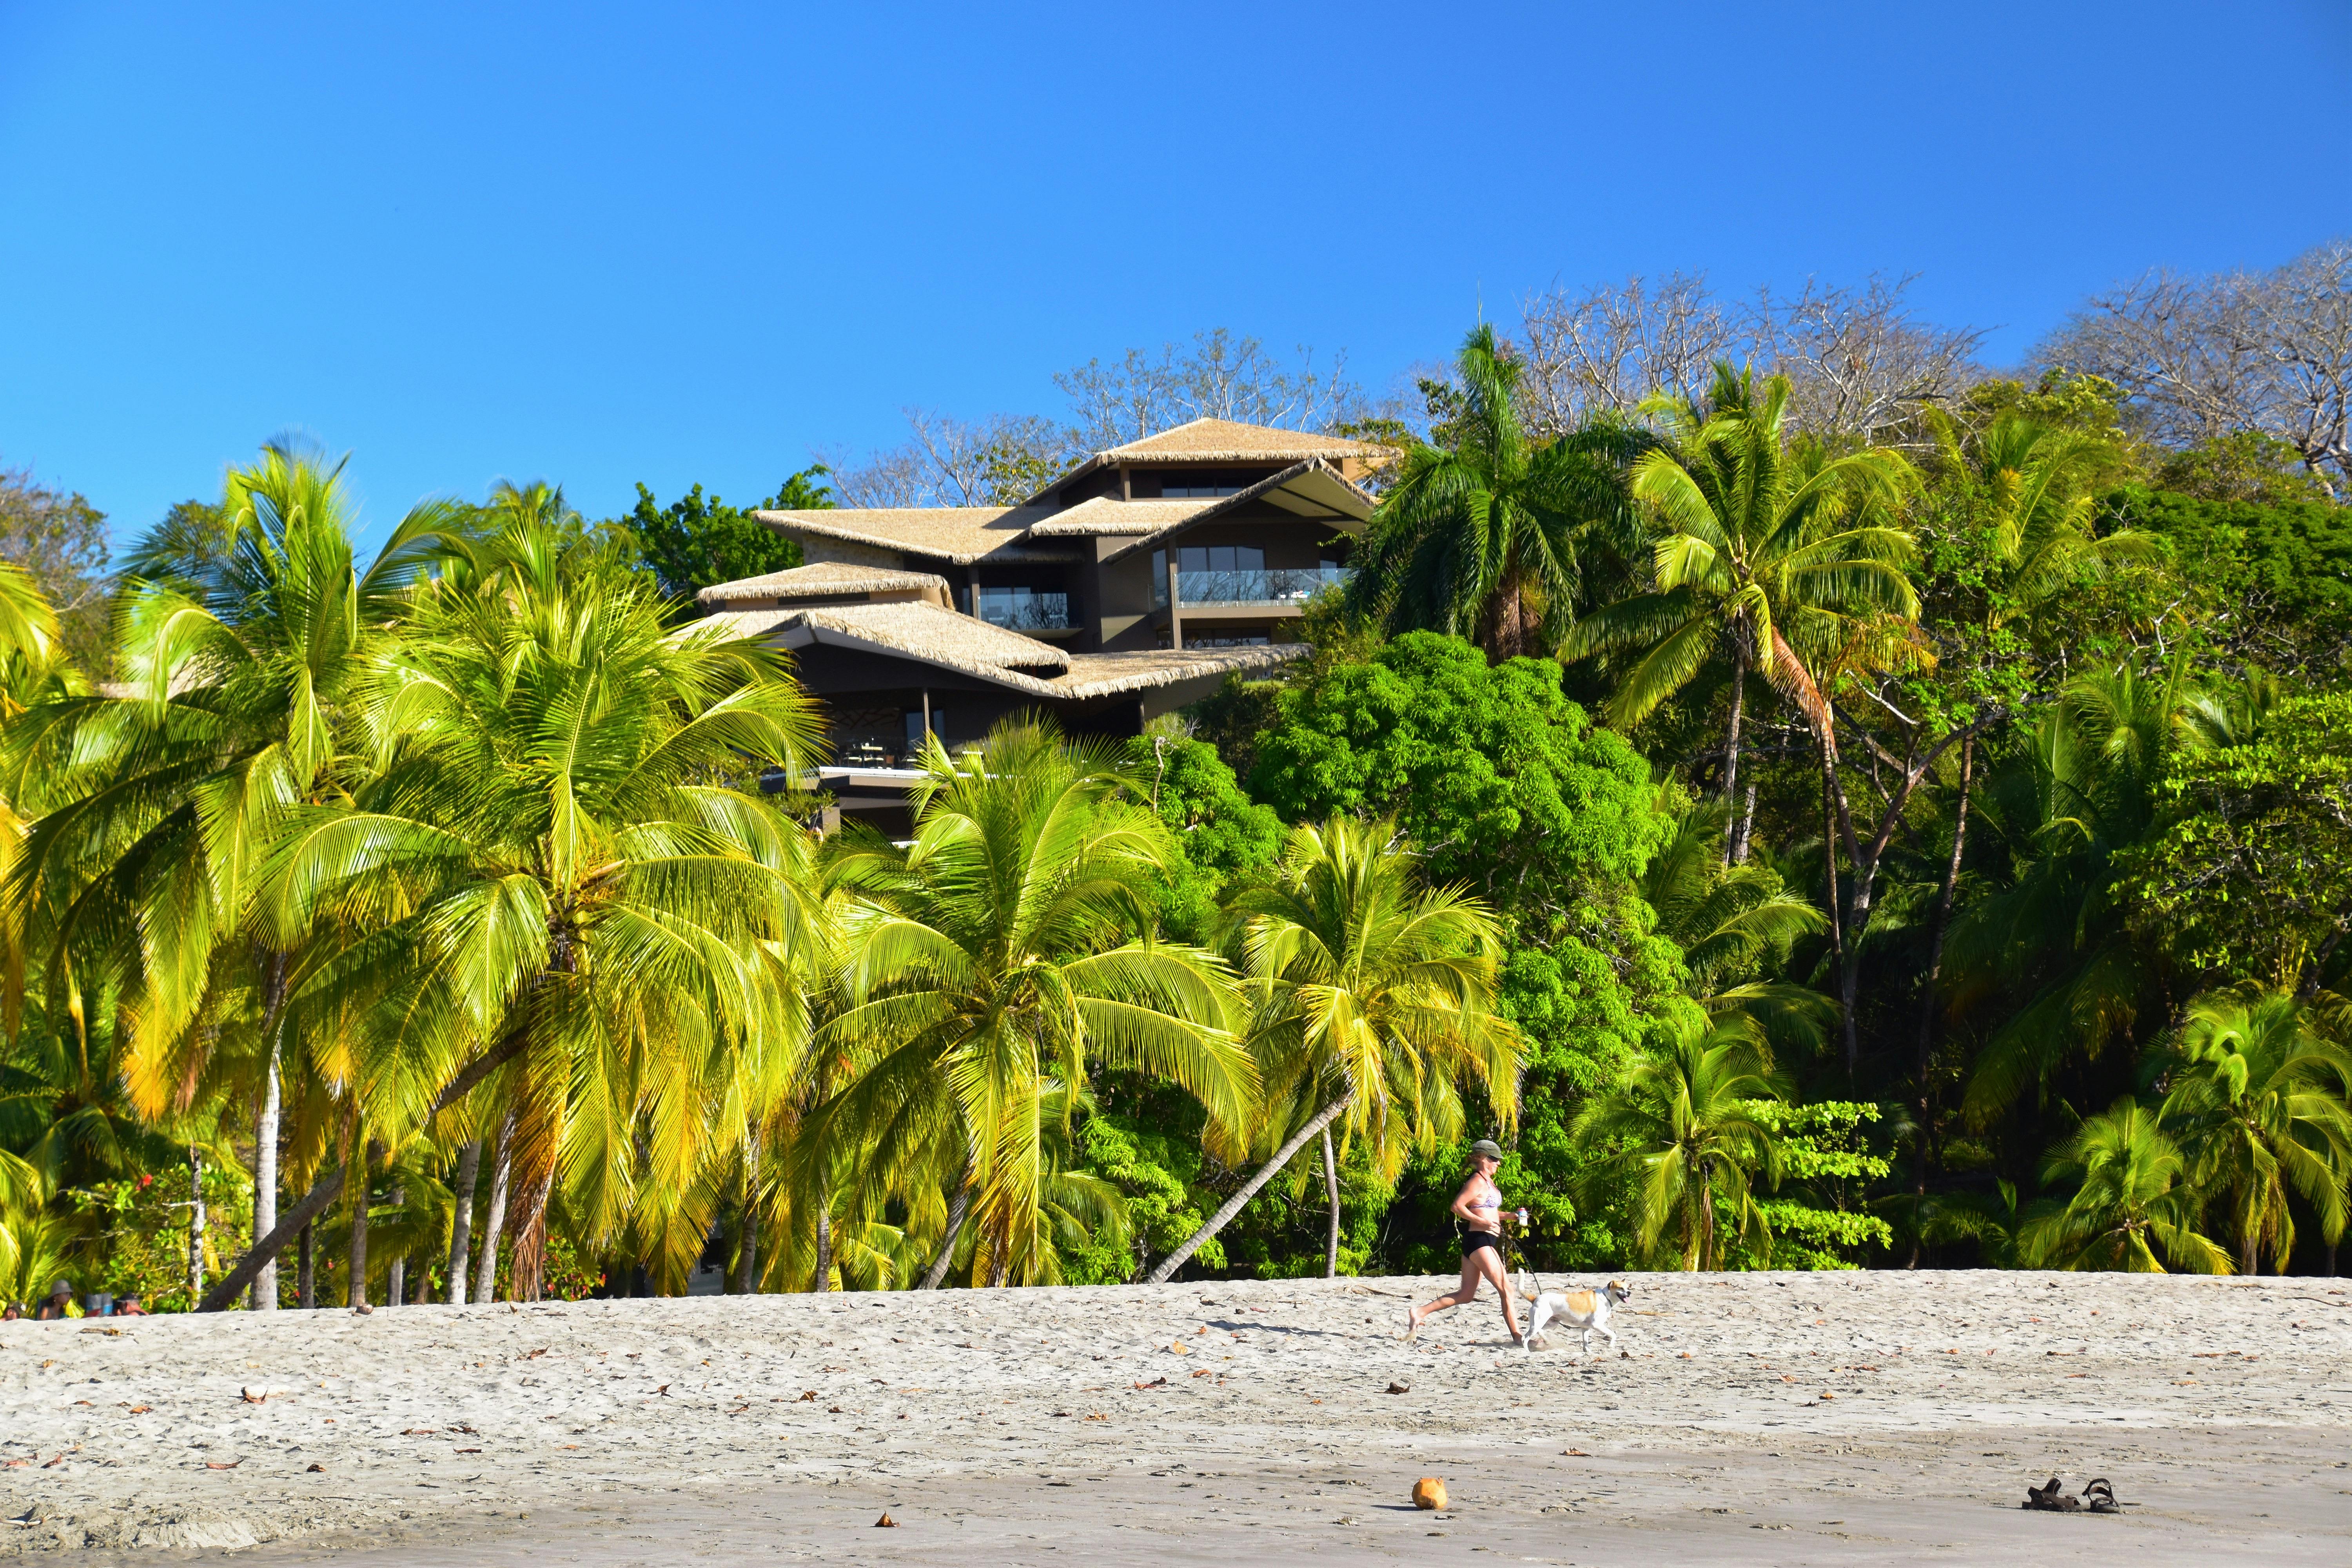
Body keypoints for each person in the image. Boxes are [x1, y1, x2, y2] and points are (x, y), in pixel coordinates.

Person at [1405, 1140, 1527, 1345]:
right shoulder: (1477, 1181)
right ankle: (1518, 1338)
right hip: (1480, 1241)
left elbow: (1488, 1211)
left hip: (1481, 1240)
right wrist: (1481, 1222)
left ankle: (1419, 1312)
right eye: (1494, 1159)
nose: (1498, 1163)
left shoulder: (1488, 1182)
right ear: (1481, 1158)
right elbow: (1457, 1206)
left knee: (1466, 1294)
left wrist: (1511, 1216)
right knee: (1507, 1288)